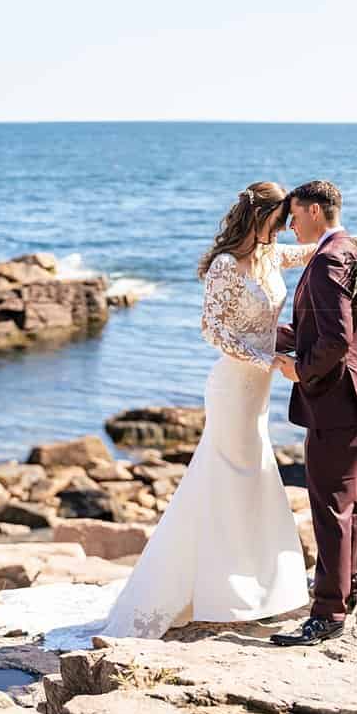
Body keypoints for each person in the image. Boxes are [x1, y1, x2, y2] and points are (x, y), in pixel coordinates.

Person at [98, 182, 313, 639]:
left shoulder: (272, 256)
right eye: (280, 219)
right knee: (232, 477)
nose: (285, 228)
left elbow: (317, 251)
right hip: (234, 385)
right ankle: (222, 593)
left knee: (251, 478)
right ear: (261, 217)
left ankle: (249, 588)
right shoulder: (224, 266)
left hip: (259, 391)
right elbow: (211, 331)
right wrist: (268, 360)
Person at [267, 179, 357, 647]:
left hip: (336, 402)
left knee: (329, 509)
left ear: (317, 211)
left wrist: (300, 370)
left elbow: (336, 340)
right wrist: (274, 333)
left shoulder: (325, 260)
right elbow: (329, 326)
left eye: (295, 215)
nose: (290, 224)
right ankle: (347, 594)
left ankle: (328, 614)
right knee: (351, 506)